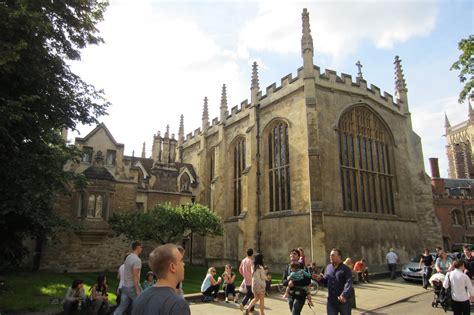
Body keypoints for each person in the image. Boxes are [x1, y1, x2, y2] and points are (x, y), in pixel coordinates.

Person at [131, 243, 190, 315]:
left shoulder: (140, 298)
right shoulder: (178, 304)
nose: (184, 264)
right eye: (181, 261)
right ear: (172, 267)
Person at [316, 248, 353, 315]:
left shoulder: (346, 269)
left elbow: (349, 282)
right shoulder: (328, 267)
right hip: (331, 301)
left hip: (343, 301)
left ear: (339, 257)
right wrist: (320, 279)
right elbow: (326, 280)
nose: (330, 257)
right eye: (330, 255)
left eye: (332, 255)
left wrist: (344, 294)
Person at [114, 240, 143, 315]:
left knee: (122, 307)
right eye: (141, 247)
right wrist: (137, 290)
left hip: (125, 287)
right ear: (137, 247)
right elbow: (135, 276)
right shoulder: (137, 260)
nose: (142, 249)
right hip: (132, 287)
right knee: (142, 305)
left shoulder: (128, 257)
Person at [282, 248, 311, 315]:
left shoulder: (303, 267)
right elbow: (283, 281)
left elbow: (308, 281)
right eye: (291, 253)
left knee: (294, 312)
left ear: (298, 256)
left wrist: (294, 282)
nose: (292, 254)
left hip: (300, 293)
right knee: (294, 312)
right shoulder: (287, 267)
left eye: (294, 253)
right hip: (290, 294)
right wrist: (288, 282)